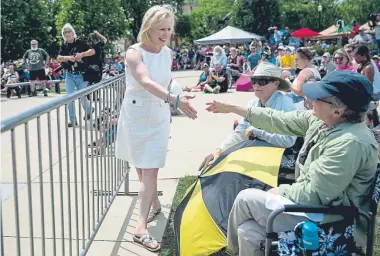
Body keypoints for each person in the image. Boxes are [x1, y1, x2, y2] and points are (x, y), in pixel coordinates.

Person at [205, 71, 378, 255]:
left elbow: (315, 194)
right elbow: (277, 119)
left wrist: (281, 191)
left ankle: (231, 252)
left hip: (335, 220)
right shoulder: (323, 121)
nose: (310, 99)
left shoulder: (350, 143)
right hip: (318, 210)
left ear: (338, 111)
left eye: (318, 96)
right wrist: (231, 107)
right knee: (248, 232)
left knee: (245, 198)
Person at [114, 5, 197, 252]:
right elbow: (145, 81)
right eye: (161, 29)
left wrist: (180, 92)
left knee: (149, 172)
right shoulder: (133, 53)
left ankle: (140, 229)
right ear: (148, 28)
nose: (166, 34)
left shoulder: (168, 53)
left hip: (159, 116)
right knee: (141, 168)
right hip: (136, 116)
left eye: (169, 29)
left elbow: (165, 80)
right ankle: (155, 206)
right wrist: (175, 100)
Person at [199, 62, 296, 171]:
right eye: (254, 81)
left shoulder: (286, 104)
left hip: (280, 160)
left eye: (262, 81)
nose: (256, 85)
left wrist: (258, 132)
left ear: (276, 84)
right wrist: (218, 151)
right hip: (258, 155)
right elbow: (240, 133)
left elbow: (288, 140)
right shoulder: (253, 103)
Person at [57, 23, 95, 127]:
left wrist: (82, 54)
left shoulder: (80, 42)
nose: (67, 34)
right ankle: (73, 120)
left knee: (82, 97)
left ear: (73, 33)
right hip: (69, 74)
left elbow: (92, 51)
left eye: (69, 32)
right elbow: (58, 58)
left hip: (81, 74)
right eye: (65, 33)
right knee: (70, 97)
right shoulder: (64, 45)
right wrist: (68, 57)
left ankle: (89, 110)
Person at [85, 30, 107, 100]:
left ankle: (88, 96)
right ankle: (94, 97)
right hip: (97, 66)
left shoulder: (86, 46)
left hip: (89, 66)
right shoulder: (98, 45)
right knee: (96, 81)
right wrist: (98, 33)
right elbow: (105, 39)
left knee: (90, 81)